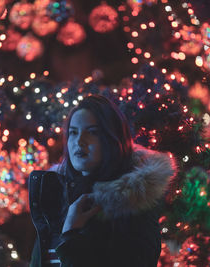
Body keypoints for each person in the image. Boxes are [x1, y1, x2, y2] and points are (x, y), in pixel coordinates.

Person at [29, 95, 176, 267]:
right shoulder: (55, 199)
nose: (79, 141)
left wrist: (71, 234)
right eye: (73, 132)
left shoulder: (133, 205)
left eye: (92, 132)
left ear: (111, 139)